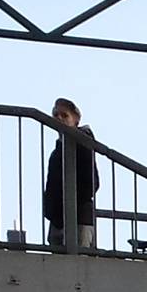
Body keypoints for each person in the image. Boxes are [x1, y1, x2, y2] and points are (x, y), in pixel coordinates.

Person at [39, 98, 98, 249]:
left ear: (76, 120)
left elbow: (92, 182)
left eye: (64, 115)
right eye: (56, 114)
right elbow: (51, 186)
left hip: (78, 220)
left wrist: (72, 205)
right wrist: (51, 211)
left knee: (77, 266)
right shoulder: (57, 151)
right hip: (58, 221)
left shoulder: (83, 143)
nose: (59, 118)